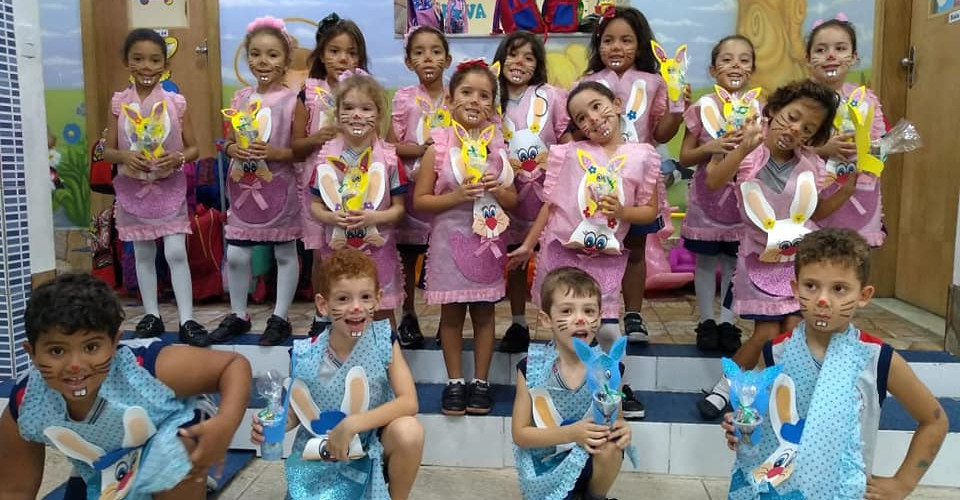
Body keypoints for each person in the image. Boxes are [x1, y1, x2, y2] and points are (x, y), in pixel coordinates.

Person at [722, 228, 948, 499]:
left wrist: (902, 483)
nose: (823, 300)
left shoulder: (877, 359)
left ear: (864, 295)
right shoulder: (774, 352)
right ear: (794, 289)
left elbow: (934, 421)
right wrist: (742, 427)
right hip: (780, 490)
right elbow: (766, 418)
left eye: (839, 289)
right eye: (811, 286)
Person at [0, 273, 252, 500]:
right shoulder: (26, 402)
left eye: (91, 347)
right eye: (57, 351)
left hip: (173, 429)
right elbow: (14, 491)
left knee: (172, 455)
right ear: (31, 353)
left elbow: (233, 365)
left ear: (115, 343)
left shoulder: (144, 366)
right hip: (108, 452)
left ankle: (183, 481)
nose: (75, 365)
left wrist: (225, 424)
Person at [697, 80, 858, 419]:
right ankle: (725, 389)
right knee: (766, 333)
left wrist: (847, 190)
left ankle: (784, 397)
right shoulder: (747, 151)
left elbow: (817, 211)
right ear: (772, 110)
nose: (796, 129)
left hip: (800, 263)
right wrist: (742, 149)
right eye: (792, 117)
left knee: (794, 332)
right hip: (760, 259)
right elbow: (713, 181)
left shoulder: (812, 164)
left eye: (808, 128)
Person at [508, 82, 658, 422]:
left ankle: (614, 387)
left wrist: (623, 212)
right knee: (564, 326)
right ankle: (559, 389)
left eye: (596, 106)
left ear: (617, 103)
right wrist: (528, 245)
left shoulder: (643, 156)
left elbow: (649, 211)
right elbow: (550, 205)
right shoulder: (570, 154)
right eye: (581, 118)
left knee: (607, 328)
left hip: (605, 257)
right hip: (563, 254)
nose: (592, 119)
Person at [250, 249, 424, 500]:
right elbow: (297, 412)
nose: (356, 307)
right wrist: (270, 425)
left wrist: (353, 424)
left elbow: (409, 402)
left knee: (409, 431)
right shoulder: (306, 354)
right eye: (343, 299)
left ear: (378, 299)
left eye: (365, 297)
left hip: (368, 447)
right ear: (323, 305)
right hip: (320, 455)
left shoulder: (383, 340)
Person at [413, 59, 518, 416]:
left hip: (487, 244)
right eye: (467, 92)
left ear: (493, 105)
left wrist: (499, 190)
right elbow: (421, 201)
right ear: (450, 98)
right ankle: (455, 381)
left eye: (485, 95)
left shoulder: (498, 148)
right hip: (448, 243)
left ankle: (481, 382)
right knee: (452, 316)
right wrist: (456, 196)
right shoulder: (438, 147)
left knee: (485, 314)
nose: (475, 100)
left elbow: (513, 200)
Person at [578, 6, 686, 343]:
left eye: (626, 40)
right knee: (598, 247)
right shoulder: (587, 83)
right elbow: (578, 130)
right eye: (608, 40)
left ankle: (634, 314)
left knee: (635, 248)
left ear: (641, 45)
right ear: (598, 44)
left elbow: (662, 133)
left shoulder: (654, 82)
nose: (617, 47)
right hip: (599, 181)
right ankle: (597, 311)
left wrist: (677, 108)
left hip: (639, 180)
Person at [101, 28, 209, 346]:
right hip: (133, 189)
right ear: (127, 62)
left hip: (168, 186)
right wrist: (125, 156)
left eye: (154, 60)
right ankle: (152, 315)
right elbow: (108, 151)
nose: (146, 66)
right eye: (138, 59)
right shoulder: (119, 103)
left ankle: (187, 319)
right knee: (143, 252)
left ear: (165, 64)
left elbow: (194, 148)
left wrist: (177, 158)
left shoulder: (175, 102)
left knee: (176, 252)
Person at [212, 16, 302, 346]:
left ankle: (280, 317)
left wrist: (275, 153)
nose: (263, 61)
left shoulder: (293, 101)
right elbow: (227, 140)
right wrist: (232, 148)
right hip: (243, 189)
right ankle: (239, 313)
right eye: (256, 54)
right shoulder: (240, 99)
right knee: (237, 254)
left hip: (279, 188)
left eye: (272, 54)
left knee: (284, 252)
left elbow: (300, 150)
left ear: (285, 61)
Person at [512, 267, 632, 500]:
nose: (580, 319)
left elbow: (615, 419)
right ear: (546, 319)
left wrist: (622, 429)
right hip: (546, 464)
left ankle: (594, 497)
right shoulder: (532, 368)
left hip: (588, 457)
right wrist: (570, 433)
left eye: (589, 311)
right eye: (567, 310)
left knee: (612, 446)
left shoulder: (609, 369)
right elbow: (520, 434)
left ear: (599, 317)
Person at [678, 35, 757, 354]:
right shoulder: (702, 107)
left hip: (743, 202)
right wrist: (709, 147)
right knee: (706, 261)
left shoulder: (759, 110)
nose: (735, 65)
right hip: (707, 202)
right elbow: (685, 157)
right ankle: (707, 321)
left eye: (744, 60)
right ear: (712, 70)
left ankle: (727, 321)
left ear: (752, 69)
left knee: (734, 262)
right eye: (726, 59)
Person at [494, 30, 571, 354]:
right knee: (516, 258)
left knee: (554, 259)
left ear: (538, 65)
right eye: (513, 54)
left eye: (529, 57)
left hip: (547, 193)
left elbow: (566, 139)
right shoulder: (492, 97)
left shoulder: (551, 96)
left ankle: (561, 322)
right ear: (501, 59)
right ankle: (518, 323)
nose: (519, 62)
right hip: (508, 195)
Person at [310, 71, 406, 329]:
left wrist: (375, 217)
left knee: (381, 310)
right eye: (349, 107)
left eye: (366, 108)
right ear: (336, 112)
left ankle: (386, 354)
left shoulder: (389, 159)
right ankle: (344, 354)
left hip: (378, 249)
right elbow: (315, 204)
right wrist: (330, 217)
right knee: (342, 311)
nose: (356, 115)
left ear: (379, 114)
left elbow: (399, 209)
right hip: (338, 249)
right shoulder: (325, 157)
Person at [293, 13, 370, 337]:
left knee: (357, 250)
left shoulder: (365, 92)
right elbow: (295, 146)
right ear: (321, 55)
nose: (343, 59)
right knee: (320, 254)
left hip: (358, 185)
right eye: (334, 51)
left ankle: (357, 309)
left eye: (351, 52)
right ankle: (322, 313)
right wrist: (317, 138)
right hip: (318, 188)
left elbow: (378, 139)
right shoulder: (309, 93)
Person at [387, 25, 452, 348]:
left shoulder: (457, 96)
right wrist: (421, 149)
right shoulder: (403, 98)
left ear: (448, 59)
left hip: (445, 192)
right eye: (419, 52)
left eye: (436, 51)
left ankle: (447, 319)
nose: (428, 58)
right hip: (412, 192)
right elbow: (390, 145)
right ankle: (409, 314)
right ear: (408, 61)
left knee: (442, 255)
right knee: (408, 255)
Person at [806, 16, 888, 247]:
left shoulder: (866, 99)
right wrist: (822, 149)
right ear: (808, 59)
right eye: (821, 50)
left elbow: (881, 142)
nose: (831, 56)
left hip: (859, 190)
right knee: (816, 255)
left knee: (854, 256)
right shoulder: (801, 100)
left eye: (840, 49)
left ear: (853, 57)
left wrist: (871, 156)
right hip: (814, 193)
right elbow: (785, 148)